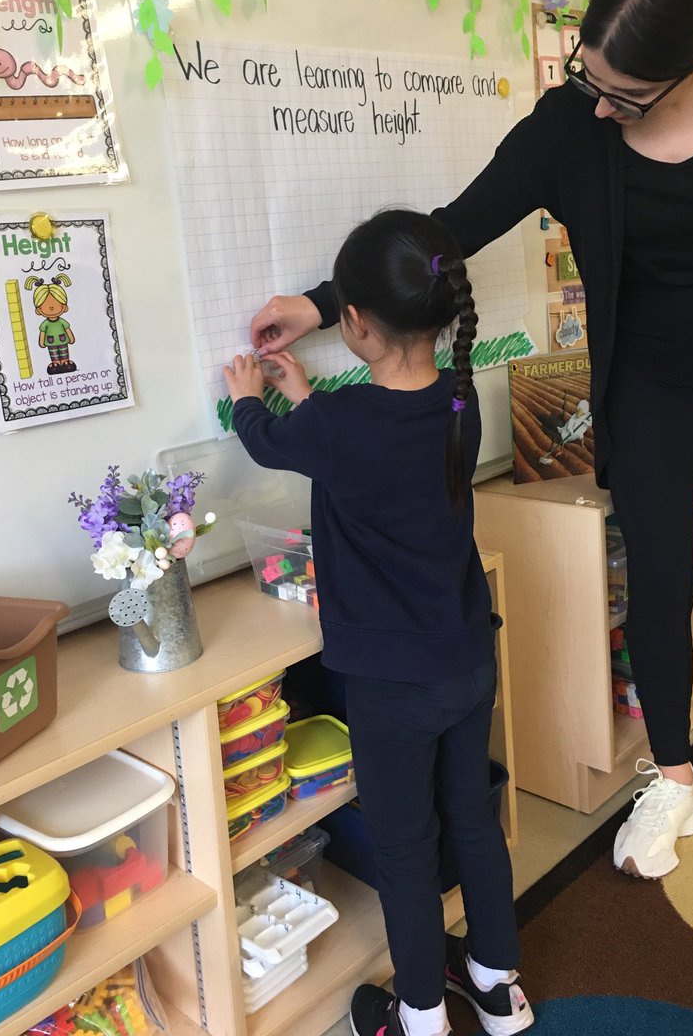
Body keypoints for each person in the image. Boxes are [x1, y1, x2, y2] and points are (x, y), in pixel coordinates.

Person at [249, 0, 693, 880]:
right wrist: (319, 305)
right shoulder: (570, 128)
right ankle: (676, 778)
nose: (599, 108)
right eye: (588, 77)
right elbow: (452, 229)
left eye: (626, 96)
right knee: (658, 567)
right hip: (647, 367)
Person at [225, 211, 534, 1036]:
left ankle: (422, 1015)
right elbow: (372, 448)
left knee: (403, 844)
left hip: (392, 684)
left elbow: (268, 445)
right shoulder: (460, 397)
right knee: (470, 817)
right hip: (467, 655)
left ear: (352, 322)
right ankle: (498, 988)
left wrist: (251, 397)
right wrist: (304, 393)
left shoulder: (340, 426)